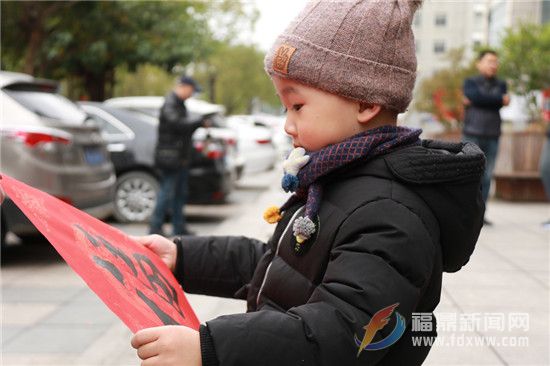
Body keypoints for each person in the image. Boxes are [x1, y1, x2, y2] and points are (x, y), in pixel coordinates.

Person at [131, 1, 486, 365]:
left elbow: (341, 331)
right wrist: (182, 257)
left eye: (297, 105)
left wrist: (211, 348)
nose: (287, 124)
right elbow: (278, 267)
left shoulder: (389, 212)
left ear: (365, 103)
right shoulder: (334, 180)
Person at [149, 76, 206, 236]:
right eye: (192, 90)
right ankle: (155, 227)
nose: (192, 94)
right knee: (166, 192)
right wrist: (198, 122)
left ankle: (178, 227)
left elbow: (184, 129)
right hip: (170, 158)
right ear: (185, 87)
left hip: (180, 157)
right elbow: (177, 125)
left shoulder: (179, 104)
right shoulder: (170, 103)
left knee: (180, 194)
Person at [462, 50, 510, 226]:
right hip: (472, 133)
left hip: (492, 135)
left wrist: (480, 100)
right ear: (479, 63)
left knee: (487, 176)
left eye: (496, 62)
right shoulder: (470, 82)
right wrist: (497, 100)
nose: (493, 65)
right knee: (469, 174)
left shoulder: (502, 83)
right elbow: (478, 97)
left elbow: (478, 99)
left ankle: (481, 214)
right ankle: (466, 213)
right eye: (489, 61)